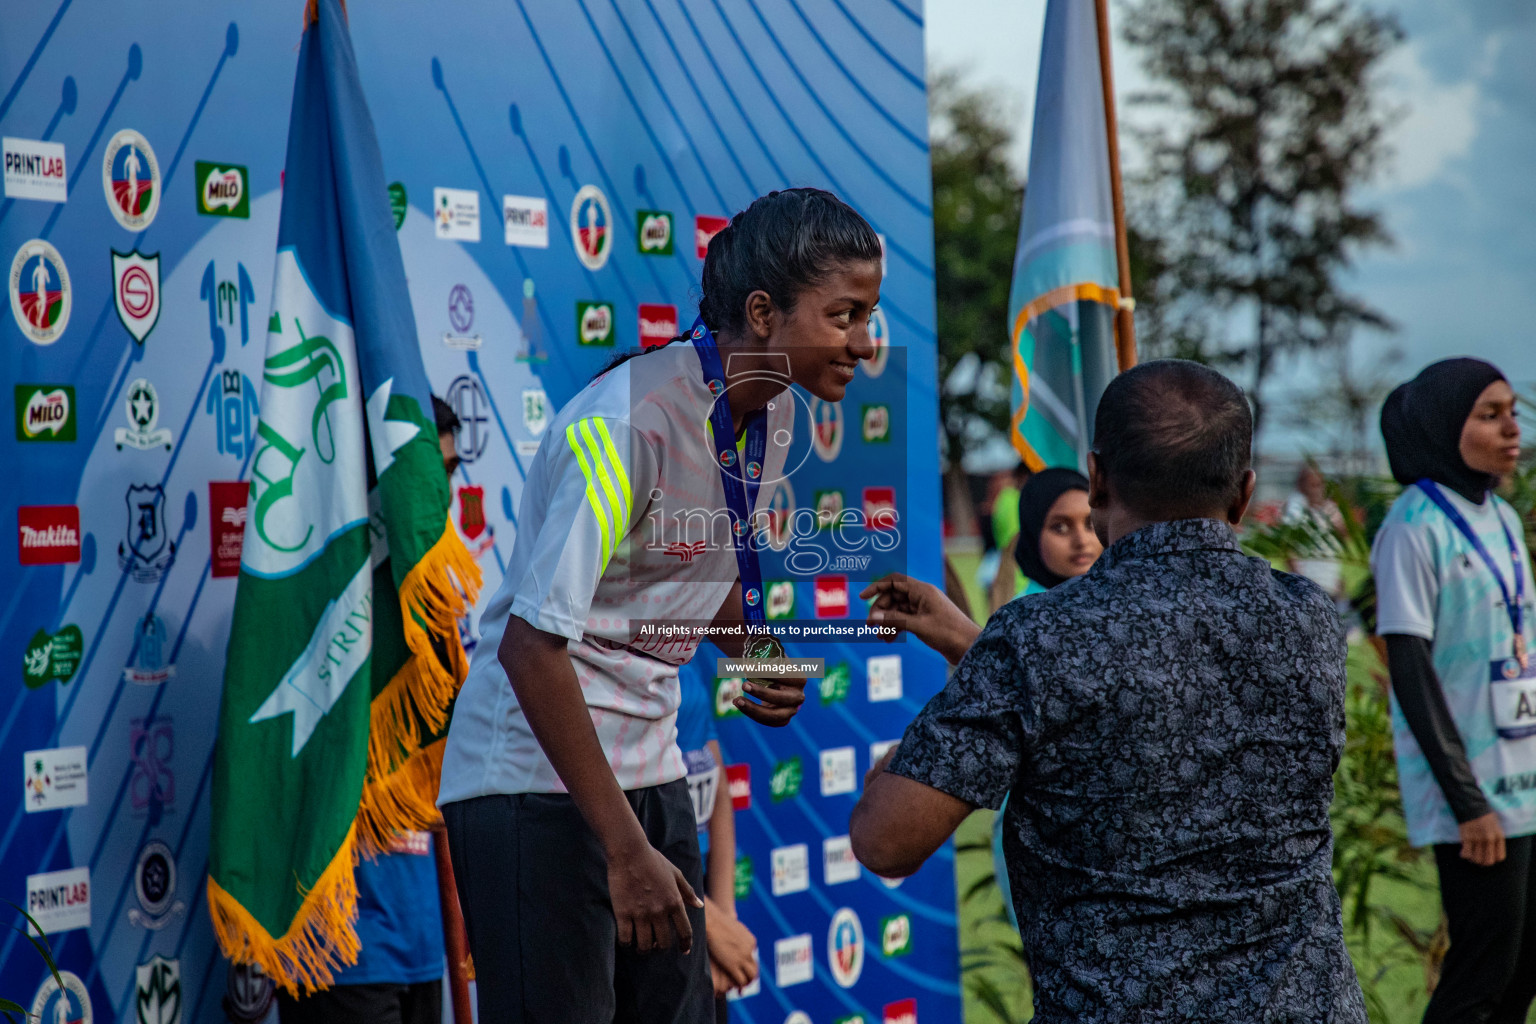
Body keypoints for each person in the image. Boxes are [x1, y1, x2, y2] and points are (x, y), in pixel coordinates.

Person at [438, 187, 876, 1023]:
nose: (863, 342)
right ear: (763, 311)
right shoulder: (625, 424)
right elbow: (532, 648)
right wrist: (626, 851)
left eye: (868, 314)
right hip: (535, 787)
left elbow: (682, 570)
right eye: (845, 314)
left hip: (650, 772)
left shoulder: (772, 415)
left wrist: (757, 654)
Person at [850, 359, 1366, 1022]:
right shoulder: (1312, 619)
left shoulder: (1041, 638)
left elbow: (886, 839)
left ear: (1095, 480)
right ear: (1243, 494)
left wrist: (900, 766)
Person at [276, 402, 469, 1024]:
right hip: (337, 953)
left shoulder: (434, 607)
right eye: (420, 476)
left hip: (423, 944)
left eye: (449, 471)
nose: (437, 493)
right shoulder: (304, 609)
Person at [1371, 357, 1535, 1024]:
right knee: (1479, 974)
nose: (1510, 429)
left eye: (1512, 413)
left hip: (1525, 779)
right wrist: (1468, 802)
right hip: (1474, 795)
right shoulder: (1414, 526)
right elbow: (1411, 669)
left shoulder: (1501, 517)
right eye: (1488, 415)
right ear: (1444, 427)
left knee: (1522, 971)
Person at [675, 644, 759, 1019]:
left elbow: (717, 783)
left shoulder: (684, 665)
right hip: (654, 899)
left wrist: (724, 914)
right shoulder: (610, 670)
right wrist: (708, 924)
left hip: (701, 889)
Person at [986, 467, 1102, 611]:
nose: (1082, 541)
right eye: (1061, 528)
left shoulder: (1118, 604)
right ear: (1033, 534)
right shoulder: (1020, 620)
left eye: (1090, 524)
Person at [1283, 463, 1347, 600]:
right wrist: (1298, 577)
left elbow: (1343, 536)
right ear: (1302, 486)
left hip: (1329, 583)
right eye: (1313, 485)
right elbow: (1288, 547)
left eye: (1320, 484)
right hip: (1307, 585)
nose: (1318, 490)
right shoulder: (1295, 509)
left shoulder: (1329, 509)